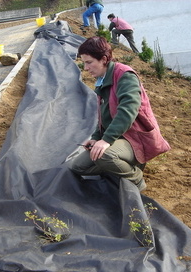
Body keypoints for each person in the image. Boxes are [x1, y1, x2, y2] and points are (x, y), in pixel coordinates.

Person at [69, 37, 170, 191]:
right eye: (84, 63)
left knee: (104, 155)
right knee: (77, 166)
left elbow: (127, 111)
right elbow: (103, 115)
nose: (86, 68)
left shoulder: (125, 76)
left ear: (103, 59)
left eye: (89, 62)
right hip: (119, 137)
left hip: (135, 138)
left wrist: (106, 140)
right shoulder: (103, 79)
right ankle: (118, 165)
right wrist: (96, 138)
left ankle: (136, 179)